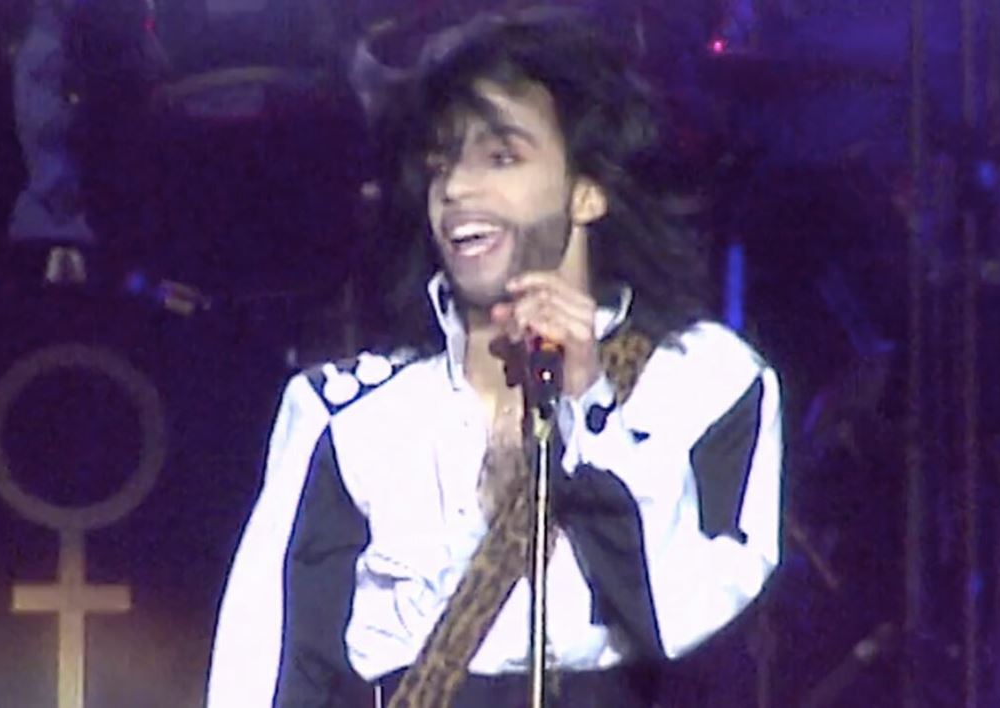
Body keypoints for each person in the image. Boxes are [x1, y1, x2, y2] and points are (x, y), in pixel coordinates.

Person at [207, 9, 783, 707]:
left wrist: (588, 405)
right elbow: (268, 670)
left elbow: (680, 616)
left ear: (587, 190)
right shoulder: (348, 419)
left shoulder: (709, 383)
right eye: (440, 164)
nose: (455, 189)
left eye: (501, 157)